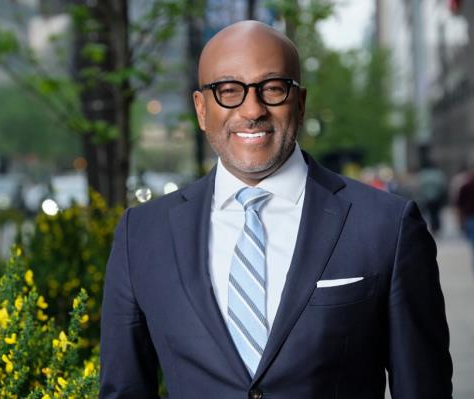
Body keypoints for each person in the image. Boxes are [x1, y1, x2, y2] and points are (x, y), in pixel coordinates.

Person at [100, 21, 452, 398]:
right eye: (228, 90)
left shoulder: (387, 227)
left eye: (272, 88)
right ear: (201, 110)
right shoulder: (141, 235)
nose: (252, 110)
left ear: (299, 104)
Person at [456, 170, 474, 269]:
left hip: (470, 219)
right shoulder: (465, 186)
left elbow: (459, 206)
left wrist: (460, 221)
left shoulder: (465, 186)